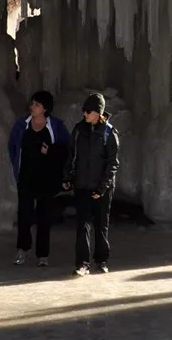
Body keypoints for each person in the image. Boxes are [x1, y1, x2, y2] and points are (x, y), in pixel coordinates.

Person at [7, 90, 69, 267]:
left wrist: (50, 151)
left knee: (44, 217)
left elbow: (65, 149)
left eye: (37, 105)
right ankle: (23, 248)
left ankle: (43, 254)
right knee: (24, 215)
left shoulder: (56, 126)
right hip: (26, 177)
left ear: (45, 109)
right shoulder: (22, 125)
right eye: (32, 103)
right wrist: (17, 166)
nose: (32, 107)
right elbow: (12, 146)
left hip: (46, 179)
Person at [64, 93, 120, 276]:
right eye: (84, 111)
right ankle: (82, 264)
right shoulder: (79, 130)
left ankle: (101, 260)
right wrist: (67, 178)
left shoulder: (109, 132)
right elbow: (71, 155)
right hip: (82, 185)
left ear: (98, 112)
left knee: (101, 225)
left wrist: (102, 188)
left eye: (88, 111)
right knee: (82, 226)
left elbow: (113, 163)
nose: (84, 114)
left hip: (102, 188)